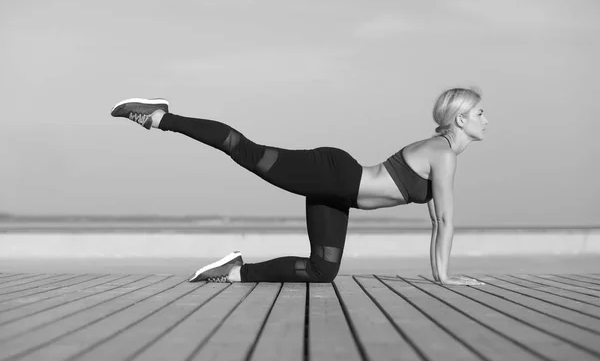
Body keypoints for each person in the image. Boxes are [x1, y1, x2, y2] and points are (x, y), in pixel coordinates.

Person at [110, 87, 488, 286]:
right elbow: (443, 221)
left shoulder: (442, 153)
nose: (486, 120)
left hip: (337, 195)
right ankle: (160, 117)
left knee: (321, 271)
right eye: (480, 113)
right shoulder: (443, 153)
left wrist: (442, 274)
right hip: (334, 175)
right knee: (246, 151)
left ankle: (234, 272)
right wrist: (443, 277)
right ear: (460, 118)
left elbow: (440, 220)